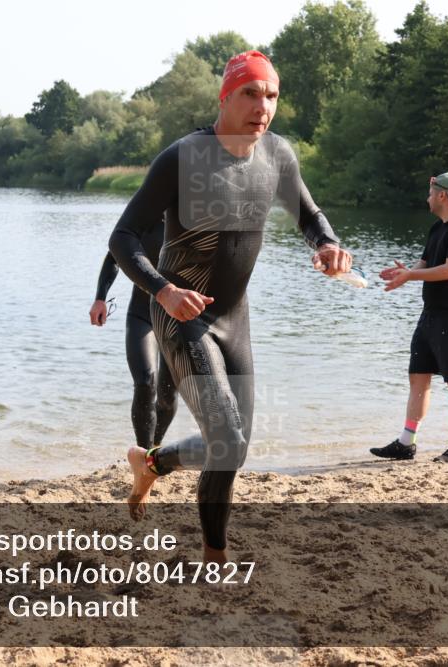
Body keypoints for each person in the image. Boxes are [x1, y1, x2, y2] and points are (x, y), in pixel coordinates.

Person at [108, 51, 352, 563]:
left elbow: (310, 215)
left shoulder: (278, 155)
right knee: (224, 436)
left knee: (232, 449)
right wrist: (163, 291)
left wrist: (327, 245)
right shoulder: (184, 157)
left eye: (272, 95)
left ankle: (151, 463)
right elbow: (123, 237)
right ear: (225, 97)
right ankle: (214, 556)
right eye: (250, 93)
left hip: (234, 318)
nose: (262, 105)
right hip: (180, 314)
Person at [370, 172, 448, 463]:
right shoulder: (439, 227)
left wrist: (412, 275)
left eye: (431, 193)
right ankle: (407, 443)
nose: (428, 198)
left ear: (443, 195)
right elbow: (426, 263)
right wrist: (405, 272)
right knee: (418, 377)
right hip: (431, 315)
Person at [89, 218, 177, 451]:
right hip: (142, 314)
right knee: (146, 381)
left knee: (167, 396)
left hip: (179, 320)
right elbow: (114, 255)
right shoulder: (146, 214)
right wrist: (100, 298)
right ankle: (144, 457)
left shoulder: (193, 220)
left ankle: (156, 447)